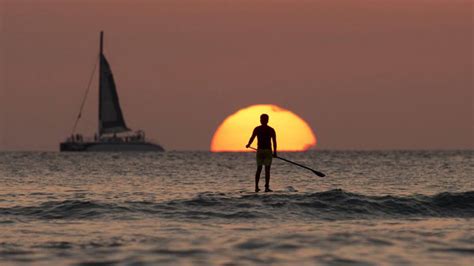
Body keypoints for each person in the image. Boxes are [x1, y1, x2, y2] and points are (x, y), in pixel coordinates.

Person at [246, 114, 277, 192]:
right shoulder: (271, 129)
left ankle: (257, 187)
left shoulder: (257, 129)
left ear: (261, 120)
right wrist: (275, 152)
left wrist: (248, 144)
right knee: (267, 169)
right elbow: (274, 142)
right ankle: (266, 188)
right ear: (267, 120)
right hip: (267, 151)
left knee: (259, 169)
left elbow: (252, 138)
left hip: (261, 151)